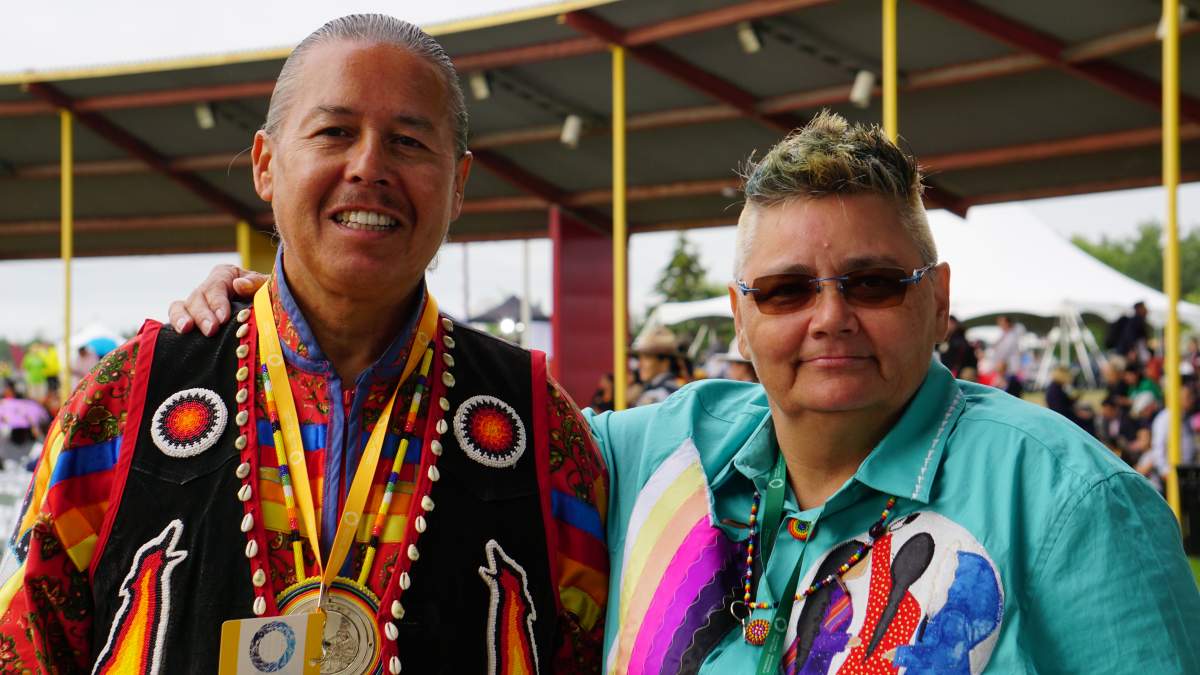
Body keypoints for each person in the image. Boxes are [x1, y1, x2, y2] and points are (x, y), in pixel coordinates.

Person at [174, 115, 1200, 670]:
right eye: (789, 289)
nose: (830, 316)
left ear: (939, 305)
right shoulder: (653, 450)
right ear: (742, 317)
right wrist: (308, 310)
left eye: (875, 284)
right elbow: (444, 409)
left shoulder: (1070, 504)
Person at [0, 15, 607, 674]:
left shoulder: (540, 428)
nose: (369, 166)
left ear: (458, 183)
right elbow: (25, 645)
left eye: (407, 141)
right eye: (334, 132)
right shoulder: (125, 400)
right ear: (265, 164)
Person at [1139, 385, 1197, 494]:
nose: (1192, 399)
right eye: (1188, 397)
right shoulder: (1165, 419)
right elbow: (1158, 449)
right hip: (1174, 478)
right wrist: (1166, 473)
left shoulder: (1186, 417)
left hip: (1187, 475)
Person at [629, 326, 683, 407]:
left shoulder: (654, 396)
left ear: (665, 362)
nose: (639, 365)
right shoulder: (679, 387)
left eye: (646, 358)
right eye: (639, 358)